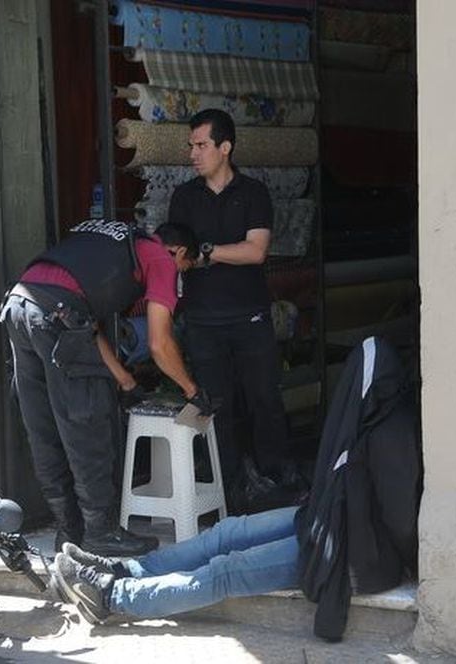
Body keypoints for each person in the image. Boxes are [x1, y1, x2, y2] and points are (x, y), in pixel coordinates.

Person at [50, 337, 422, 642]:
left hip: (350, 550)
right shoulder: (372, 416)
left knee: (228, 569)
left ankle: (111, 596)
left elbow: (401, 521)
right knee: (228, 532)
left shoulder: (394, 433)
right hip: (326, 521)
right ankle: (127, 569)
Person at [0, 220, 215, 558]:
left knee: (44, 427)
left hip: (19, 305)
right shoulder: (161, 259)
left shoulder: (117, 241)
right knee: (87, 422)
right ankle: (101, 532)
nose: (178, 279)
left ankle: (69, 531)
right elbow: (160, 343)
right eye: (184, 270)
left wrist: (126, 381)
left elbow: (83, 325)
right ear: (181, 253)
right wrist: (191, 389)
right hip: (55, 314)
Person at [166, 108, 299, 509]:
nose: (194, 153)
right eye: (191, 146)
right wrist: (216, 253)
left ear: (226, 148)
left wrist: (207, 252)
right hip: (203, 319)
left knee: (264, 399)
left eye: (202, 145)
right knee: (215, 407)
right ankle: (228, 493)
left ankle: (278, 484)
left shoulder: (253, 193)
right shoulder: (183, 197)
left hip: (250, 317)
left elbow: (256, 251)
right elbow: (178, 255)